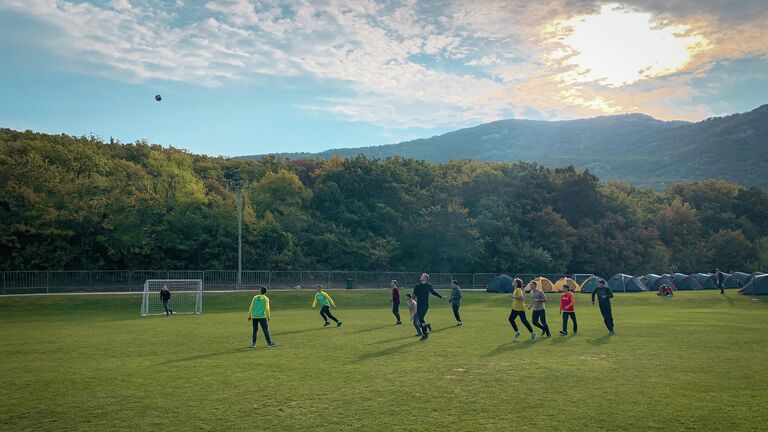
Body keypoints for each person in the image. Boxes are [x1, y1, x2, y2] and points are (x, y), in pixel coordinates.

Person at [413, 273, 446, 341]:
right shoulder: (417, 286)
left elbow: (433, 292)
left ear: (426, 278)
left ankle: (425, 334)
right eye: (421, 276)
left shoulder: (429, 286)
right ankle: (426, 329)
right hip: (419, 305)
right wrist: (411, 298)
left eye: (422, 276)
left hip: (425, 305)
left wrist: (441, 297)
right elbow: (414, 294)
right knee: (420, 319)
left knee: (421, 318)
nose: (421, 277)